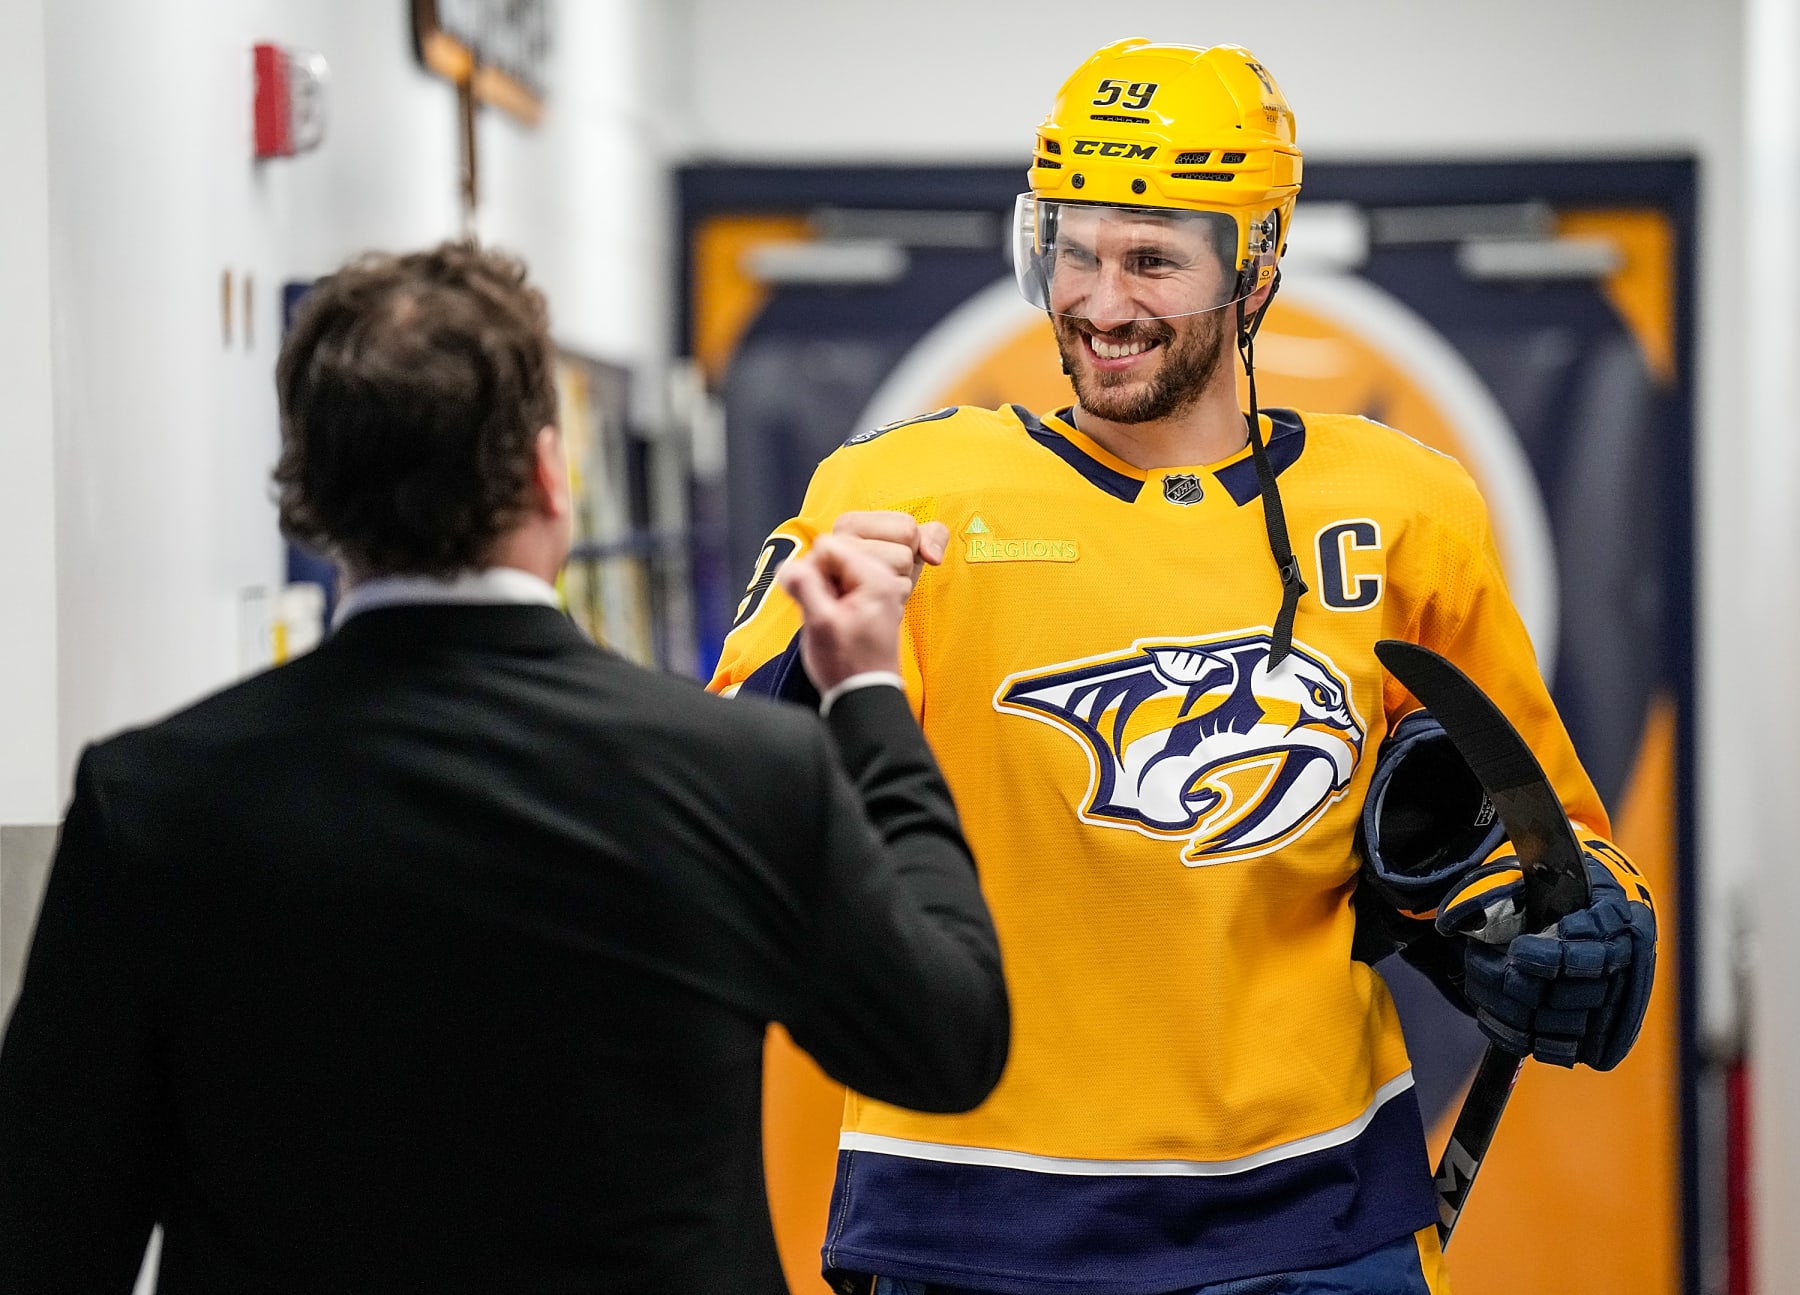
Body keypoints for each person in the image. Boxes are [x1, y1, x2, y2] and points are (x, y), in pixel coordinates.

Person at [710, 38, 1656, 1295]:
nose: (1102, 302)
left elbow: (1542, 821)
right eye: (1076, 251)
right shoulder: (900, 492)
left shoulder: (1402, 506)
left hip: (1316, 1211)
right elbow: (728, 806)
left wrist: (1581, 923)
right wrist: (822, 663)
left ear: (1256, 265)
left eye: (1154, 259)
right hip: (973, 1225)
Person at [0, 242, 1009, 1294]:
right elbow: (950, 1041)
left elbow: (48, 1236)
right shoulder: (740, 771)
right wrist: (869, 698)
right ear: (546, 473)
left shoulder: (155, 801)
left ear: (310, 492)